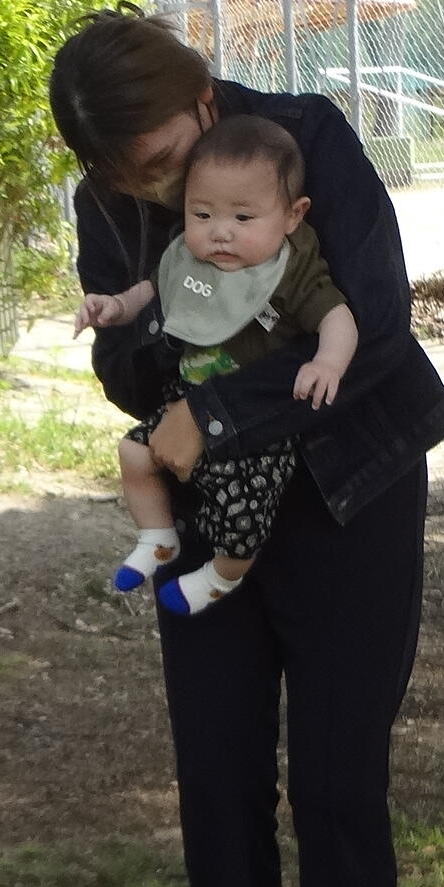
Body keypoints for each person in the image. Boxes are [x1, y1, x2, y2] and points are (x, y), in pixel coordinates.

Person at [49, 6, 444, 887]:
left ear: (199, 99)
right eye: (126, 177)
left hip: (347, 497)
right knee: (217, 766)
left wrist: (216, 407)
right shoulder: (112, 200)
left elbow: (374, 323)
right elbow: (125, 362)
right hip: (207, 515)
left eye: (164, 159)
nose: (152, 189)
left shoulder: (305, 138)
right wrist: (157, 373)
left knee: (334, 769)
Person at [78, 113, 359, 616]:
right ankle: (158, 536)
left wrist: (328, 362)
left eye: (242, 219)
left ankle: (224, 575)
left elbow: (339, 316)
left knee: (242, 514)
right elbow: (155, 290)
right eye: (202, 215)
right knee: (134, 455)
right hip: (183, 402)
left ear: (293, 216)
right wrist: (115, 307)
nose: (220, 233)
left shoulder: (290, 271)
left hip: (256, 426)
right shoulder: (190, 257)